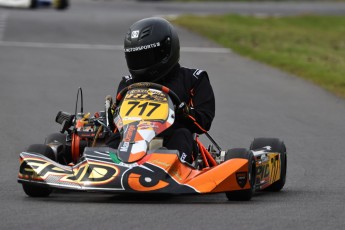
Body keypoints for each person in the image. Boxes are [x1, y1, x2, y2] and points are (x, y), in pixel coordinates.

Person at [107, 17, 215, 164]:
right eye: (136, 58)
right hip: (133, 138)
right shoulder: (128, 83)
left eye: (145, 57)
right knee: (114, 138)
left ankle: (174, 170)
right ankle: (105, 168)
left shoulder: (193, 79)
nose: (140, 64)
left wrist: (185, 113)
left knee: (182, 135)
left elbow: (204, 122)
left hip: (172, 142)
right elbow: (118, 124)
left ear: (165, 51)